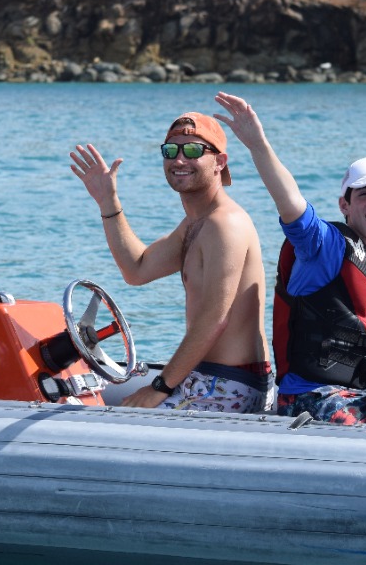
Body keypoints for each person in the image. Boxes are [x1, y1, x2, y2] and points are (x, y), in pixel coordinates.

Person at [214, 92, 366, 425]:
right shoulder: (324, 245)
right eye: (365, 193)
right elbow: (290, 202)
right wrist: (258, 145)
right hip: (308, 397)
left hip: (361, 395)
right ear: (345, 204)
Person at [70, 111, 272, 413]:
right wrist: (107, 201)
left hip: (229, 384)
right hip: (205, 377)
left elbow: (215, 318)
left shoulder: (225, 224)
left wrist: (160, 387)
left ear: (220, 161)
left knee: (116, 428)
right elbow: (137, 270)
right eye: (170, 150)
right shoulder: (195, 224)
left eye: (192, 150)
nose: (179, 159)